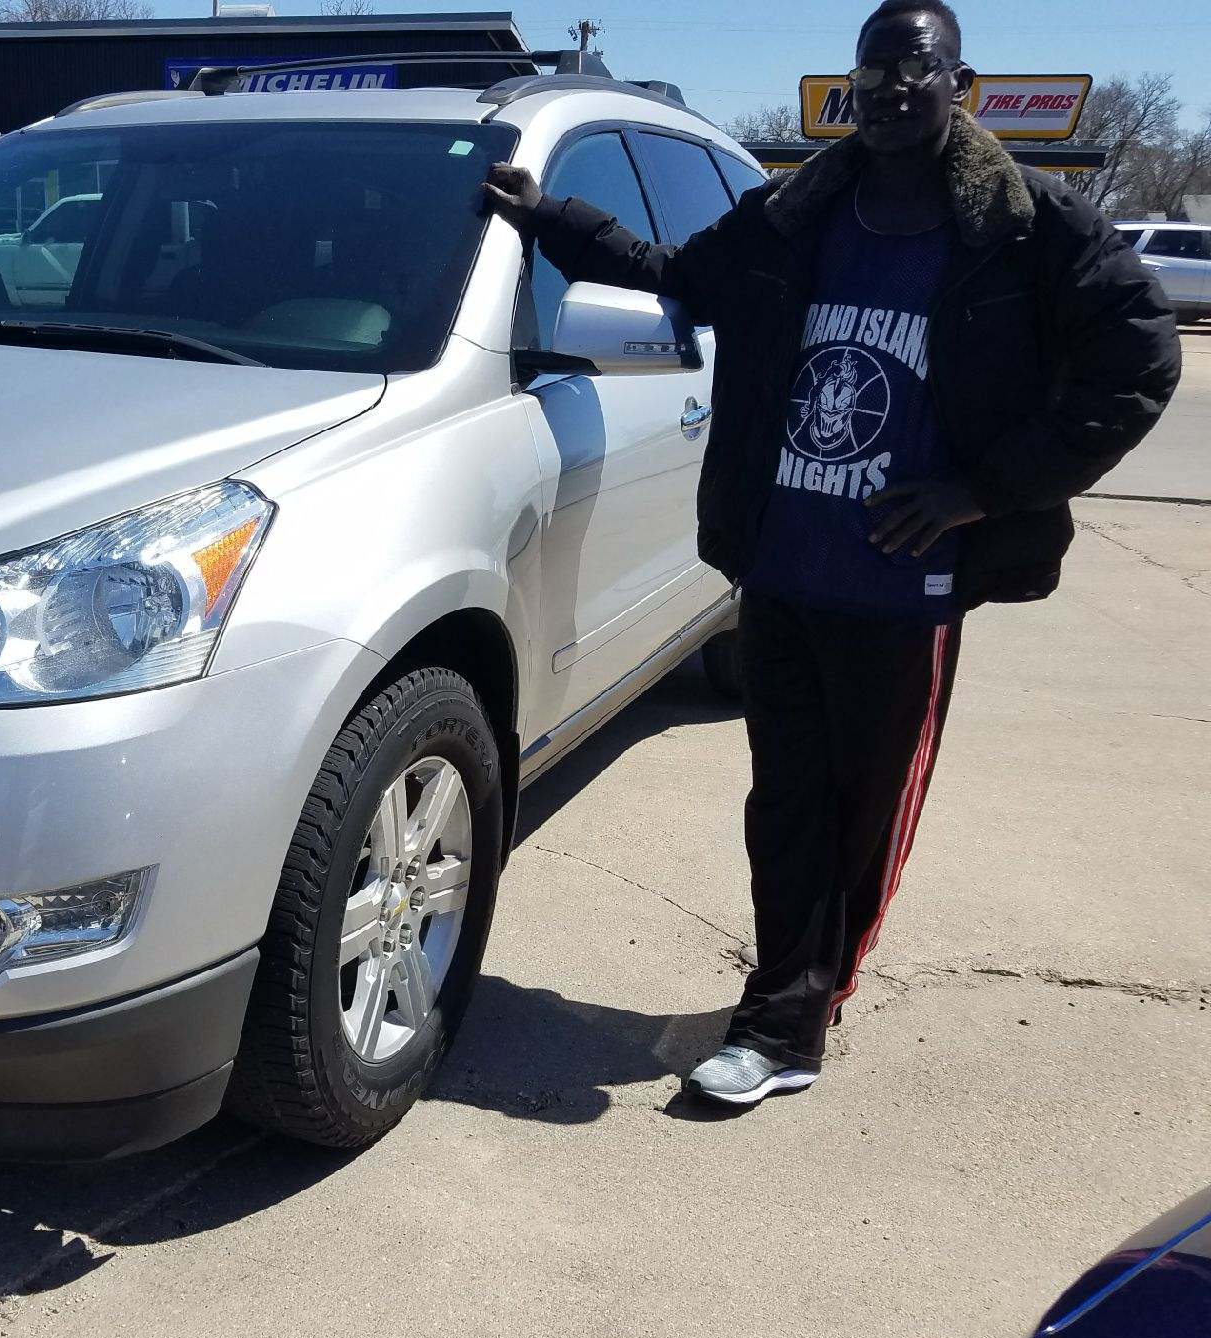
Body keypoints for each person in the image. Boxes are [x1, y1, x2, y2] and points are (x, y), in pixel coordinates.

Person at [483, 0, 1180, 1106]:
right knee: (785, 807)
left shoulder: (1026, 226)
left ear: (962, 86)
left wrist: (979, 491)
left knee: (864, 814)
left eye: (917, 69)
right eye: (873, 71)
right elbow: (673, 270)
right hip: (783, 571)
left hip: (905, 589)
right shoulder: (793, 215)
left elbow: (1138, 362)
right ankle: (784, 1015)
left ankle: (797, 1010)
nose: (892, 89)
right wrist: (545, 217)